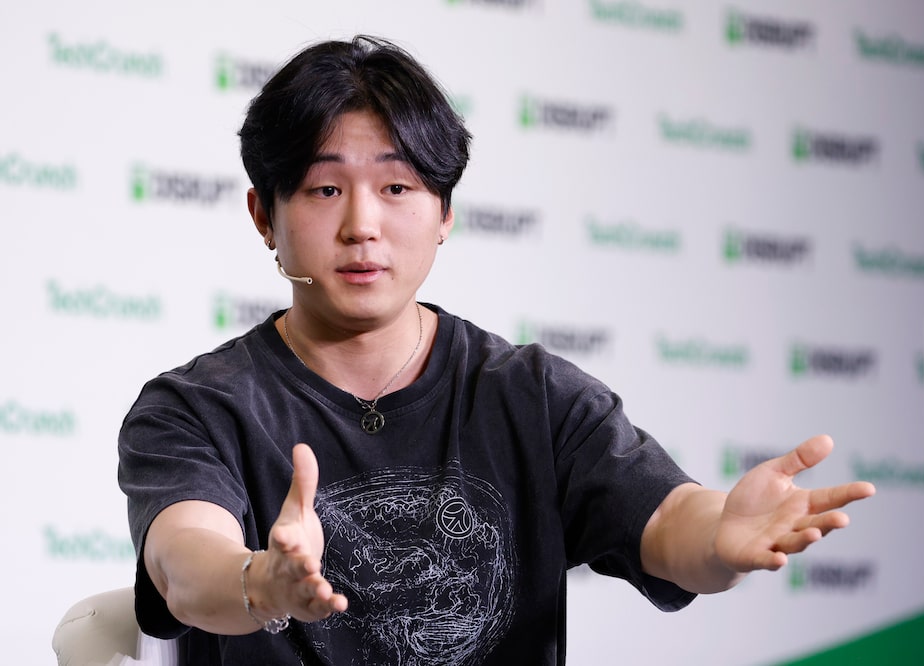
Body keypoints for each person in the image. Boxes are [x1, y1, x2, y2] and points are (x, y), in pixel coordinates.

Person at [118, 35, 876, 666]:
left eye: (398, 188)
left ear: (445, 211)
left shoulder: (534, 397)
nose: (362, 226)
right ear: (264, 214)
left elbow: (668, 523)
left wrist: (719, 537)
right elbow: (185, 565)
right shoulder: (198, 407)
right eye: (323, 190)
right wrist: (262, 582)